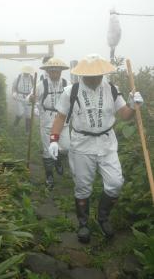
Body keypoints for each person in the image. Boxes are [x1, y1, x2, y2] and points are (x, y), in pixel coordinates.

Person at [48, 54, 144, 242]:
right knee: (83, 186)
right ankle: (83, 223)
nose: (93, 79)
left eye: (97, 75)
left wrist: (133, 106)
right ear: (82, 74)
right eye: (89, 76)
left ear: (102, 73)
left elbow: (124, 115)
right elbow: (60, 117)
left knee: (115, 183)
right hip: (81, 144)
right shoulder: (71, 91)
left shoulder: (112, 89)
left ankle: (103, 217)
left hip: (107, 143)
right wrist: (53, 139)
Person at [28, 57, 70, 188]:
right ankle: (49, 175)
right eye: (52, 71)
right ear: (48, 71)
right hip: (47, 119)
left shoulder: (66, 83)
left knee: (66, 147)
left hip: (63, 120)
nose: (55, 73)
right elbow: (30, 97)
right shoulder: (41, 85)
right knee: (47, 149)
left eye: (57, 71)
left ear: (61, 71)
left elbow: (74, 98)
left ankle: (57, 161)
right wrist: (31, 98)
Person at [12, 66, 34, 133]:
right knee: (20, 113)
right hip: (20, 97)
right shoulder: (18, 78)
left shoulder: (32, 78)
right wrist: (14, 93)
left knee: (29, 115)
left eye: (28, 72)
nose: (27, 74)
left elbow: (34, 88)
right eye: (25, 72)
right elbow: (14, 87)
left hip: (29, 97)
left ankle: (27, 131)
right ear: (23, 71)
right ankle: (15, 125)